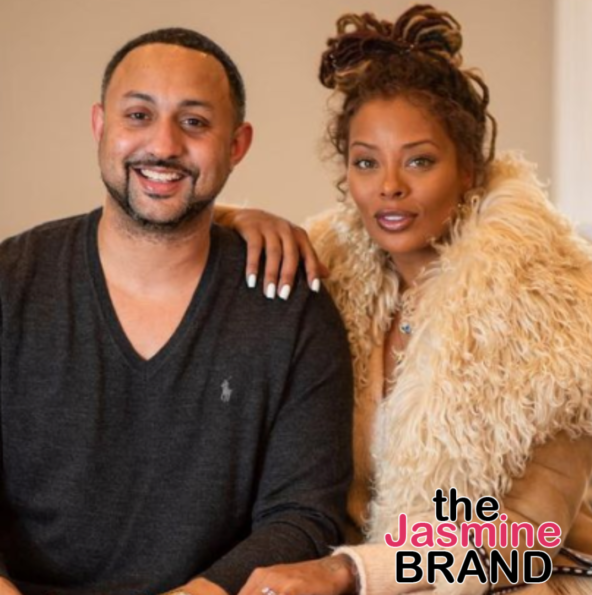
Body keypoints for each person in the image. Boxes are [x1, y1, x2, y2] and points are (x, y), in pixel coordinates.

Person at [220, 5, 592, 595]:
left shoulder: (556, 308)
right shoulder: (328, 271)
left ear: (468, 169)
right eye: (367, 162)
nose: (389, 187)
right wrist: (240, 219)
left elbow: (525, 542)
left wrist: (353, 572)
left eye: (419, 160)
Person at [0, 27, 354, 595]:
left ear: (236, 145)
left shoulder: (290, 308)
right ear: (100, 126)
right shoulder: (11, 283)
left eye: (194, 122)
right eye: (138, 115)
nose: (163, 145)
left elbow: (303, 514)